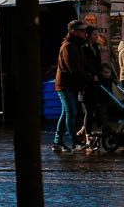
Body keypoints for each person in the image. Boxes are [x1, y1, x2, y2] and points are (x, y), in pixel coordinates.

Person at [53, 20, 91, 152]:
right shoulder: (68, 47)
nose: (85, 33)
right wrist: (87, 78)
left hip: (72, 85)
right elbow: (73, 68)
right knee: (71, 113)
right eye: (82, 31)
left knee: (66, 113)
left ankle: (57, 142)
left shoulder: (77, 46)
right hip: (65, 85)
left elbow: (82, 66)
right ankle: (74, 142)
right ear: (74, 32)